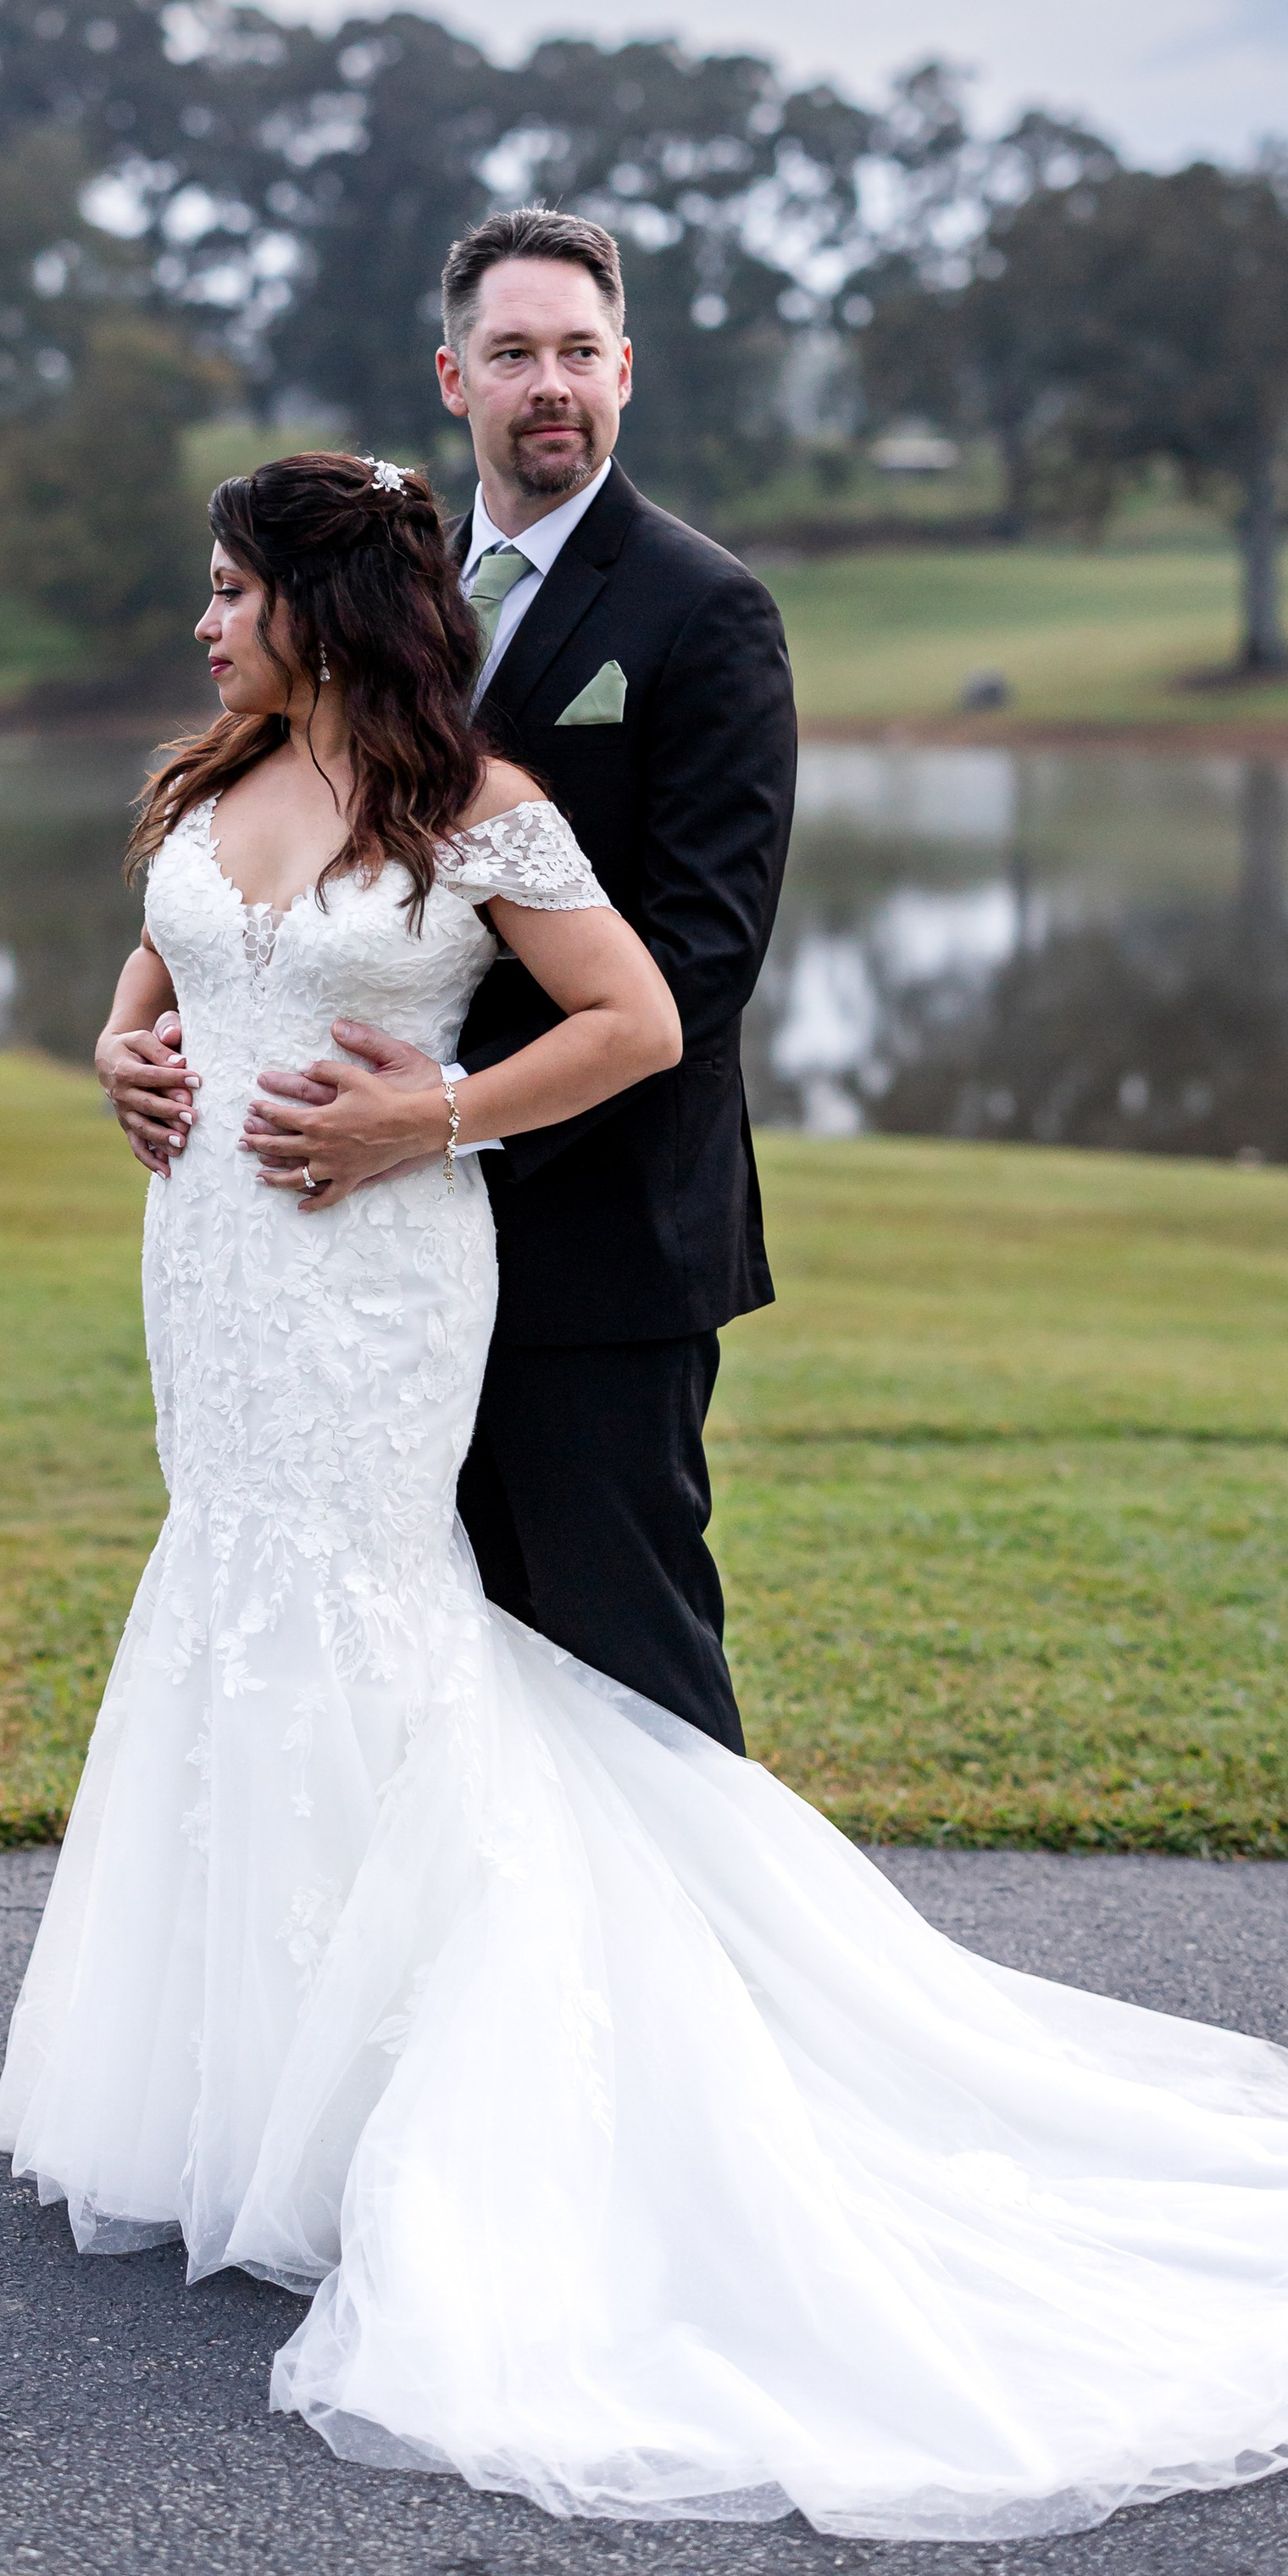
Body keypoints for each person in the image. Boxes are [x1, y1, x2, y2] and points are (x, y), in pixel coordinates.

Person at [0, 446, 1288, 2541]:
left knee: (371, 1609)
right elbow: (164, 992)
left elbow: (628, 1016)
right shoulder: (198, 785)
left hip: (376, 1271)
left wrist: (426, 1116)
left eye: (228, 586)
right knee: (233, 1591)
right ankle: (242, 2088)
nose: (202, 618)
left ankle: (433, 2087)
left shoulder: (477, 807)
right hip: (215, 1279)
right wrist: (117, 1056)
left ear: (316, 607)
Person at [111, 209, 797, 1756]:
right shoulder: (366, 587)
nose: (547, 384)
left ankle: (693, 1989)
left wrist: (438, 1127)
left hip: (592, 1221)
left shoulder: (704, 610)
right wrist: (138, 1035)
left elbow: (701, 959)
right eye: (512, 355)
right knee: (422, 1645)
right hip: (338, 1250)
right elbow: (244, 855)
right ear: (454, 375)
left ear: (625, 369)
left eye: (576, 353)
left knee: (620, 1648)